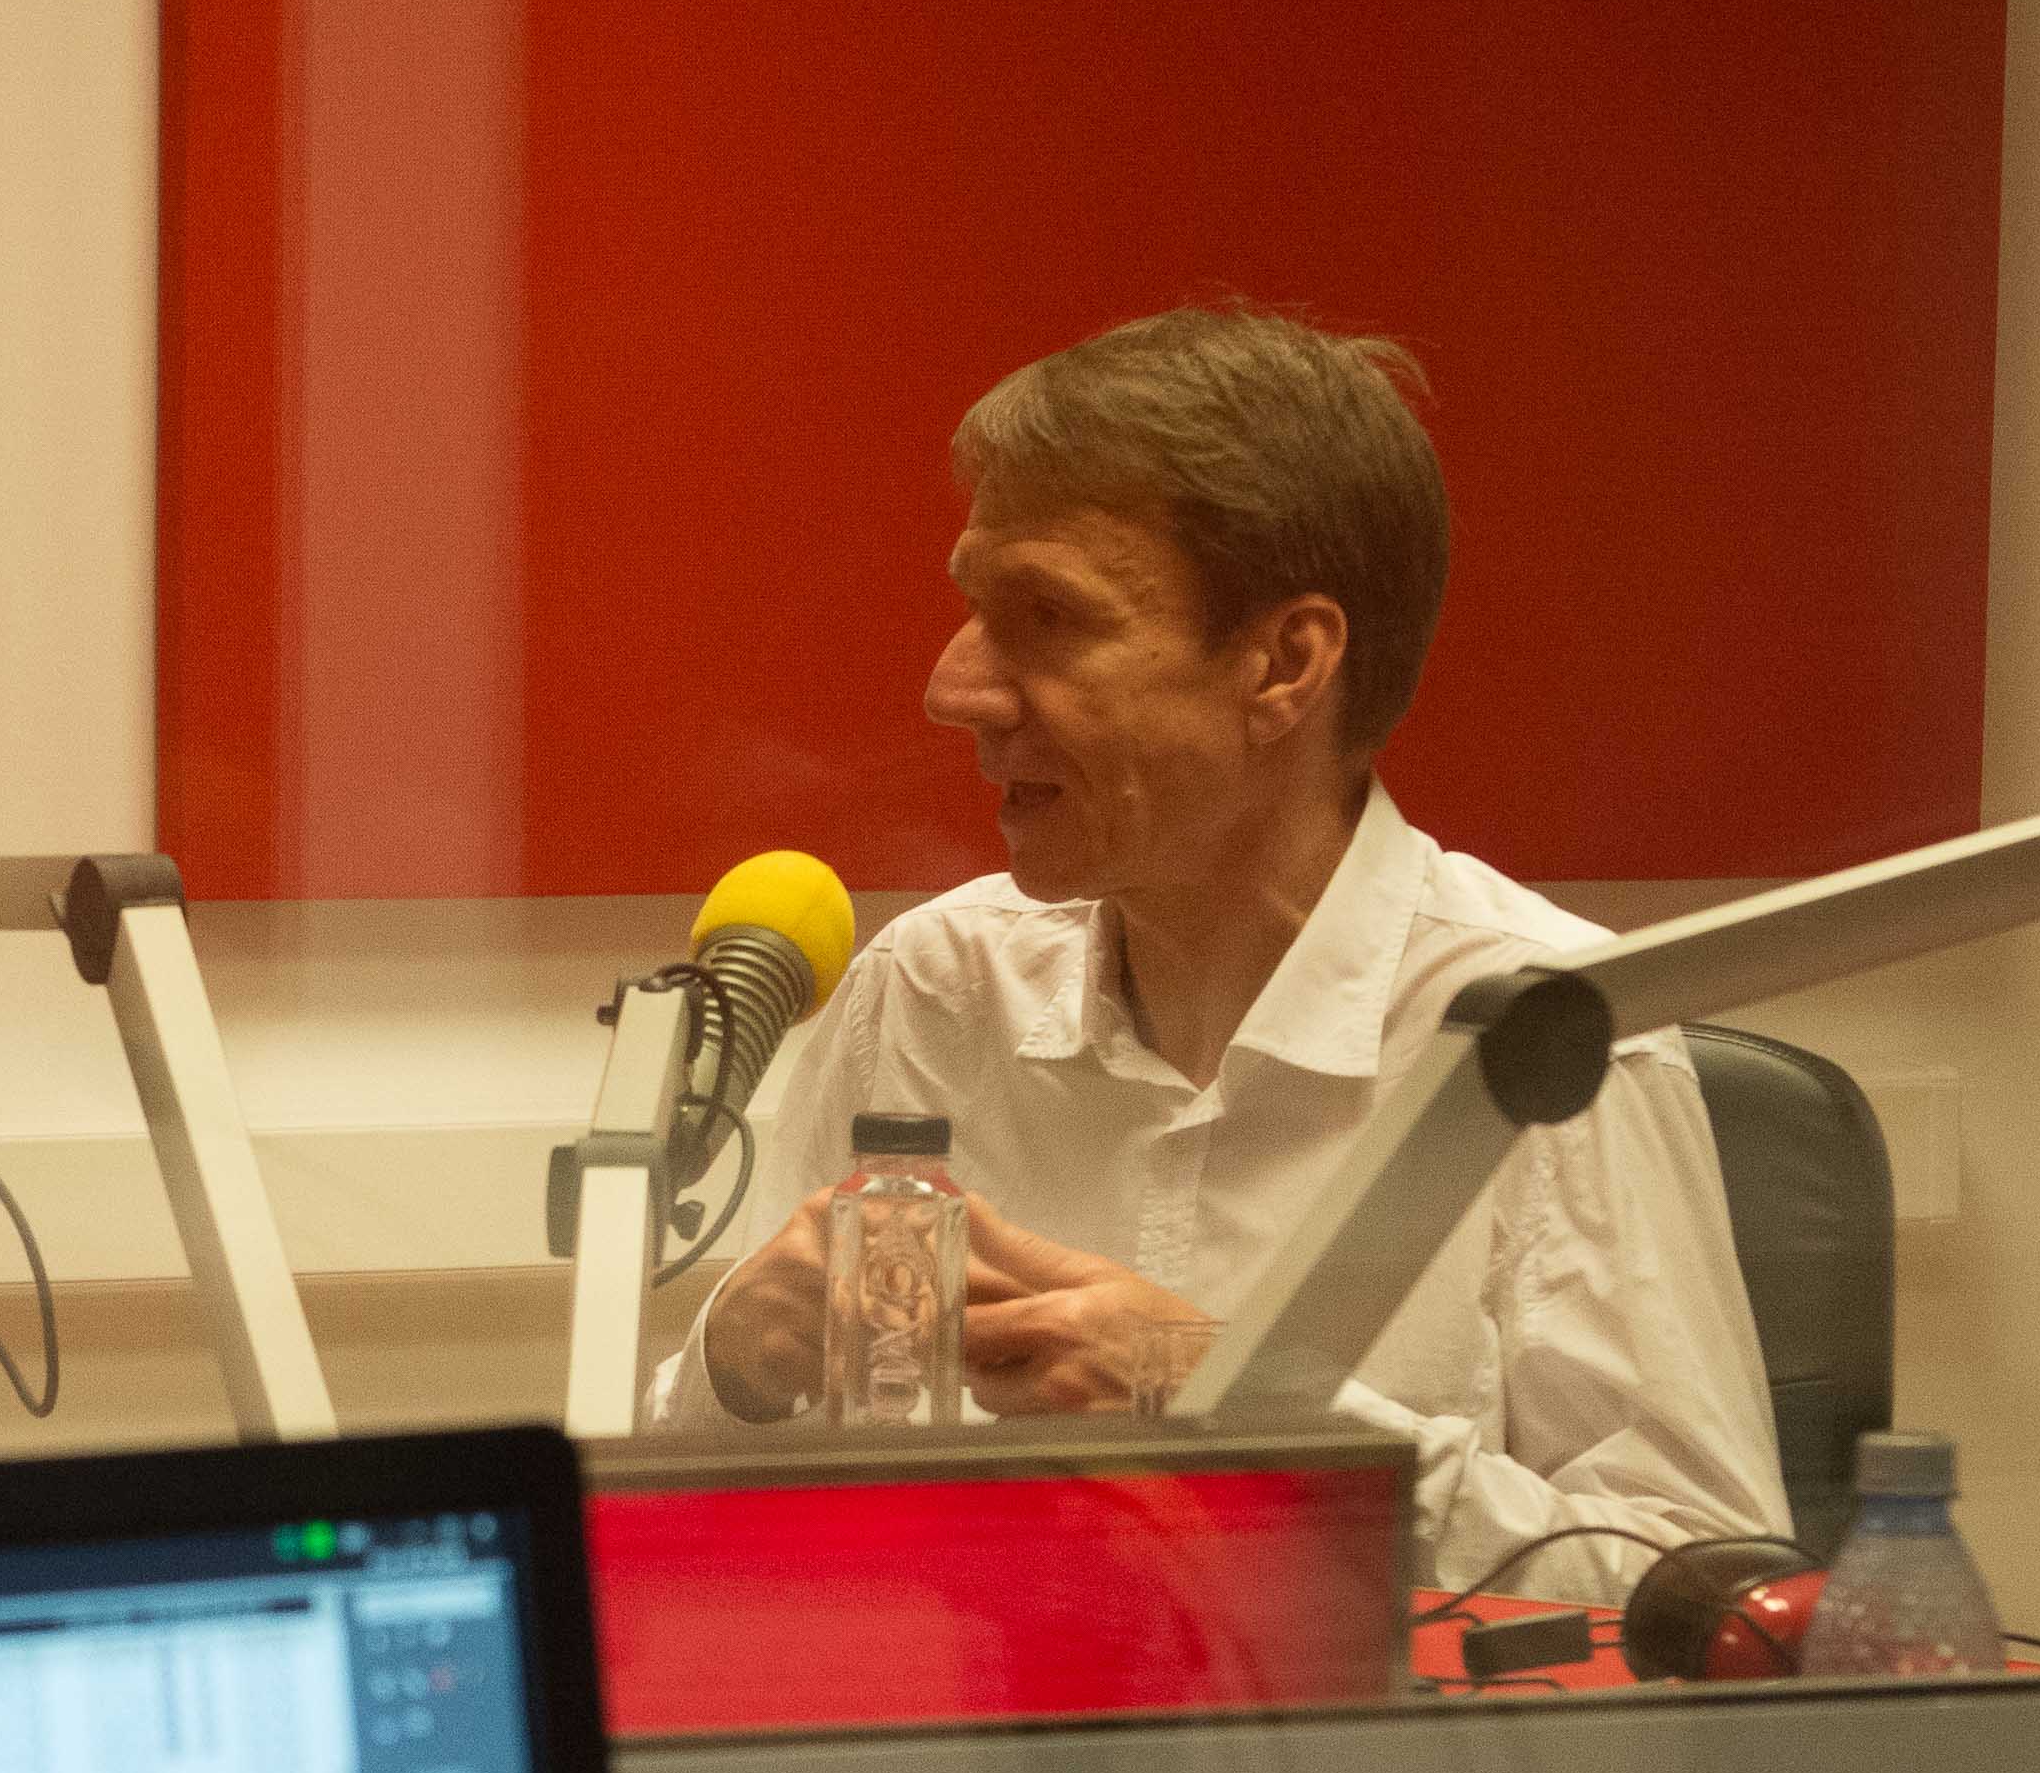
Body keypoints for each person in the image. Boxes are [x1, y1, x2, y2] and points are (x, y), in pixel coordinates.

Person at [668, 305, 1782, 1592]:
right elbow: (711, 1543)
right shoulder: (932, 989)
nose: (954, 689)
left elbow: (1706, 1593)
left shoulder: (1550, 1037)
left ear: (1284, 666)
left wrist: (1234, 1405)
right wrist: (736, 1371)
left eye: (1046, 615)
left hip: (1379, 1731)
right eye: (974, 608)